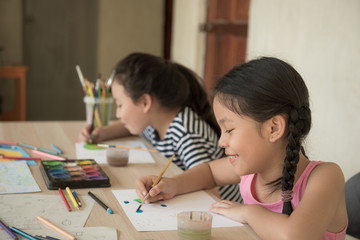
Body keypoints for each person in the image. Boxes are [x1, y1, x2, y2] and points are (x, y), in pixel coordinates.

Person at [136, 57, 348, 240]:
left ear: (273, 128)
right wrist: (172, 184)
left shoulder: (325, 177)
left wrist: (249, 212)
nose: (221, 141)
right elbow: (209, 172)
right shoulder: (252, 170)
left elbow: (294, 236)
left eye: (229, 130)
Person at [78, 52, 242, 202]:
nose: (118, 114)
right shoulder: (153, 120)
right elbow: (129, 125)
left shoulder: (186, 133)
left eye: (119, 105)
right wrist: (105, 132)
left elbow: (211, 191)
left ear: (145, 102)